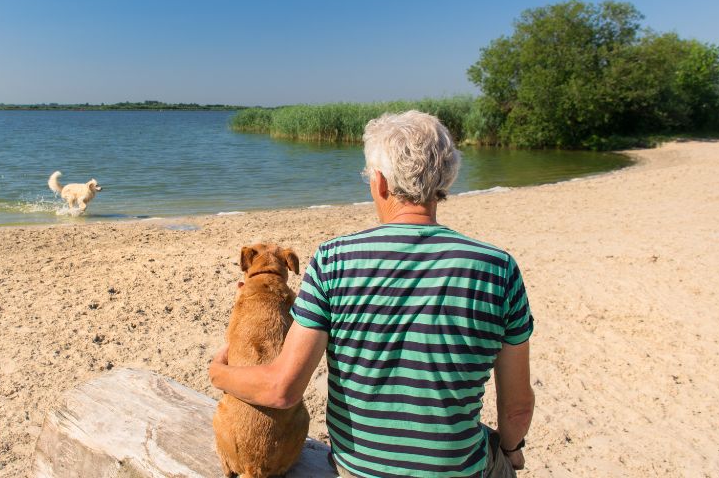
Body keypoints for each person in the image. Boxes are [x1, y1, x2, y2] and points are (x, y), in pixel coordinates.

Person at [209, 110, 534, 478]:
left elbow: (282, 390)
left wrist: (218, 373)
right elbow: (516, 411)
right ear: (446, 179)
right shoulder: (499, 268)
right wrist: (511, 450)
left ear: (379, 182)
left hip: (360, 469)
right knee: (496, 453)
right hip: (458, 470)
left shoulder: (333, 260)